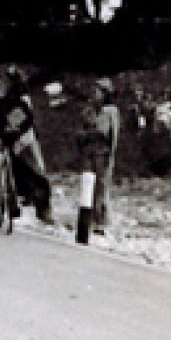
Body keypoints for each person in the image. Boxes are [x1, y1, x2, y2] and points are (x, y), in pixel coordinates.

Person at [0, 66, 55, 225]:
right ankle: (36, 207)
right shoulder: (15, 96)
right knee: (32, 174)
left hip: (21, 139)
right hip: (21, 138)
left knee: (33, 174)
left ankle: (38, 208)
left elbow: (27, 118)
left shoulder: (18, 97)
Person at [76, 77, 121, 234]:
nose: (94, 94)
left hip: (103, 154)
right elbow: (80, 130)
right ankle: (86, 220)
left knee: (101, 188)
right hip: (88, 152)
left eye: (97, 91)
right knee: (88, 186)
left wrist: (111, 156)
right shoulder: (88, 110)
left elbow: (112, 135)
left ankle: (100, 221)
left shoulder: (111, 111)